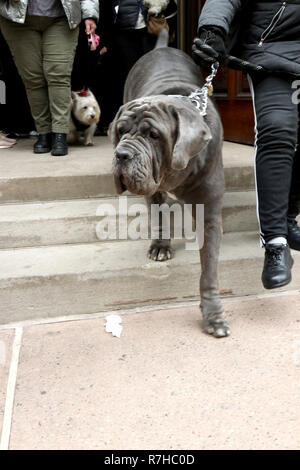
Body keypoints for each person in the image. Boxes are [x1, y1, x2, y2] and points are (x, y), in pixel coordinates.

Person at [193, 0, 300, 290]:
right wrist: (212, 29)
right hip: (272, 54)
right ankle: (276, 244)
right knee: (277, 128)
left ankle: (289, 216)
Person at [0, 0, 99, 156]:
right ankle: (43, 133)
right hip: (18, 19)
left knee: (58, 75)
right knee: (33, 78)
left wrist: (90, 14)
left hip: (62, 17)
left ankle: (60, 134)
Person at [100, 0, 177, 120]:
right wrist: (105, 40)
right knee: (127, 76)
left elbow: (172, 7)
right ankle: (129, 116)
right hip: (123, 31)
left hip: (150, 31)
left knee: (151, 75)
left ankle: (152, 115)